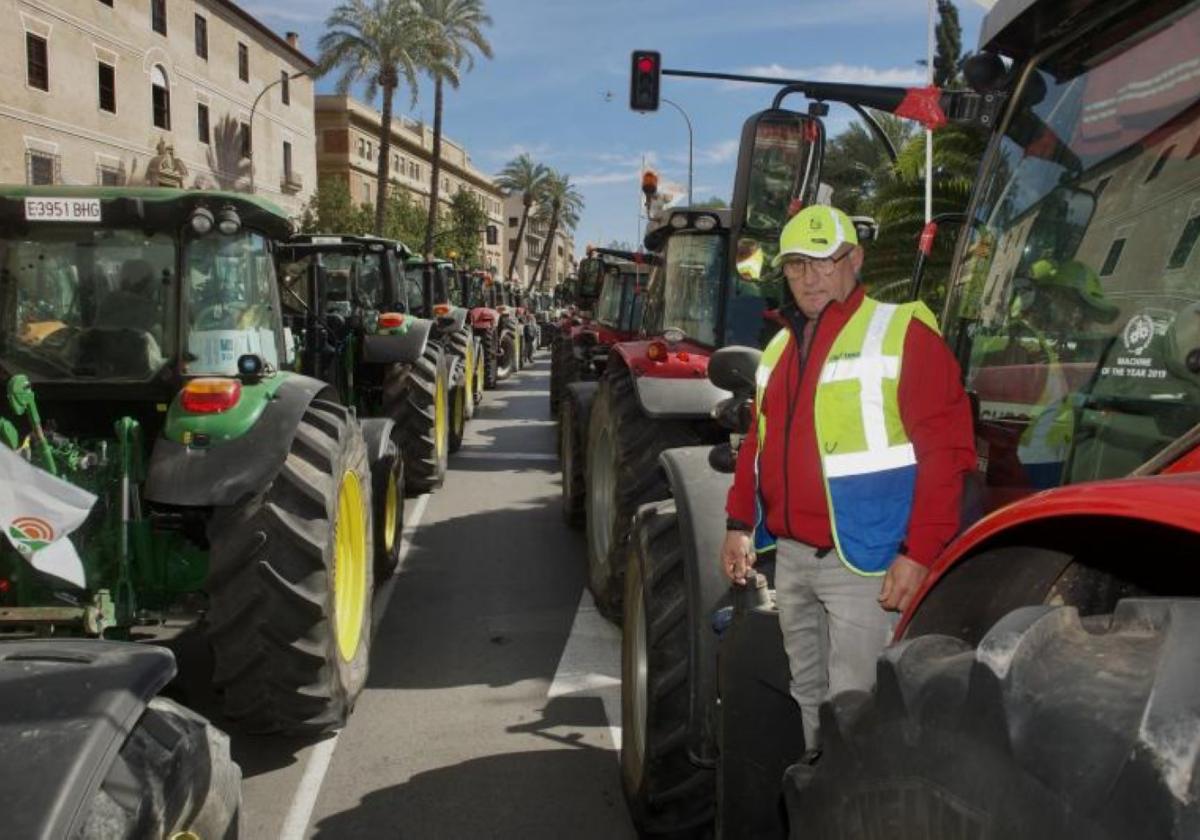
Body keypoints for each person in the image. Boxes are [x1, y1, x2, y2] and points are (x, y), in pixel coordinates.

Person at [721, 205, 975, 750]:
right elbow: (758, 444)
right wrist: (739, 523)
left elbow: (947, 452)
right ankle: (820, 793)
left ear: (854, 259)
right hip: (790, 557)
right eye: (796, 265)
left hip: (864, 562)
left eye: (825, 261)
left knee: (858, 708)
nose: (810, 278)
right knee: (809, 693)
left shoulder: (901, 332)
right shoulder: (780, 347)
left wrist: (920, 552)